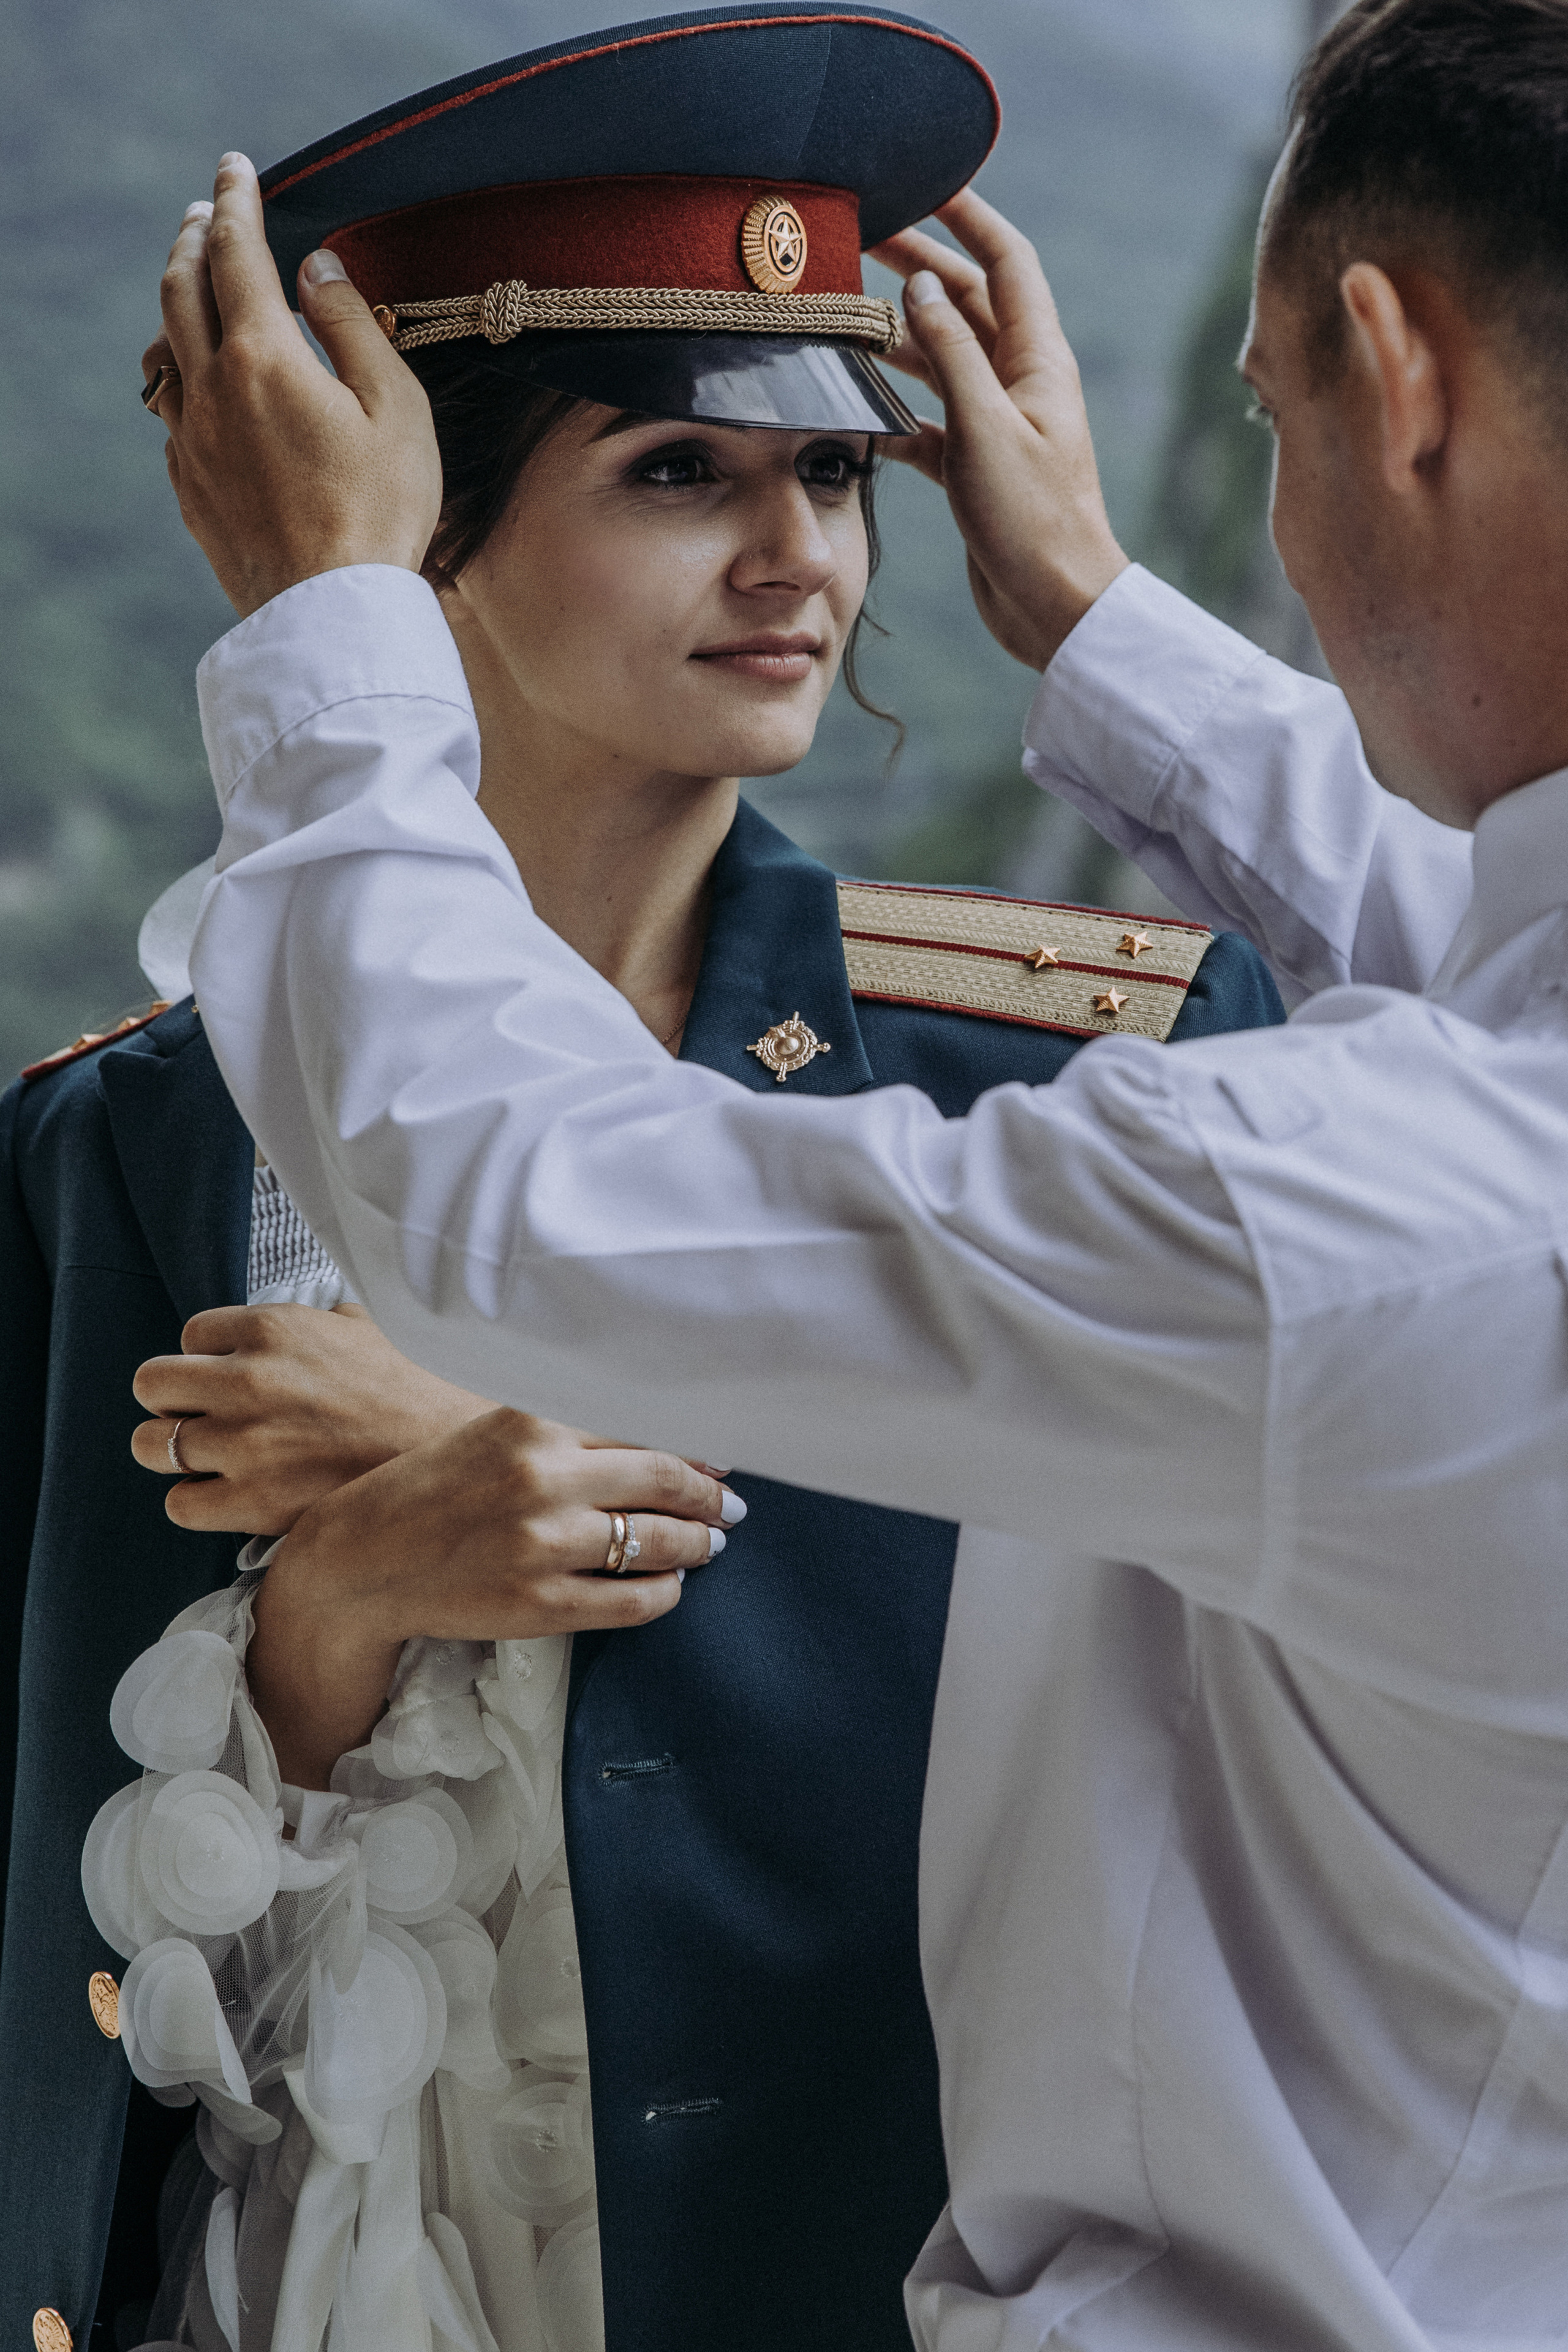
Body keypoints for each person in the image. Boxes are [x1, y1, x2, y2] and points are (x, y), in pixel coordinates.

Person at [144, 0, 1568, 2342]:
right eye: (684, 468)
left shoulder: (1281, 1180)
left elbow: (502, 1201)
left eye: (1270, 420)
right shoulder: (123, 1137)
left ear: (1398, 378)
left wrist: (327, 630)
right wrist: (1101, 627)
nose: (798, 552)